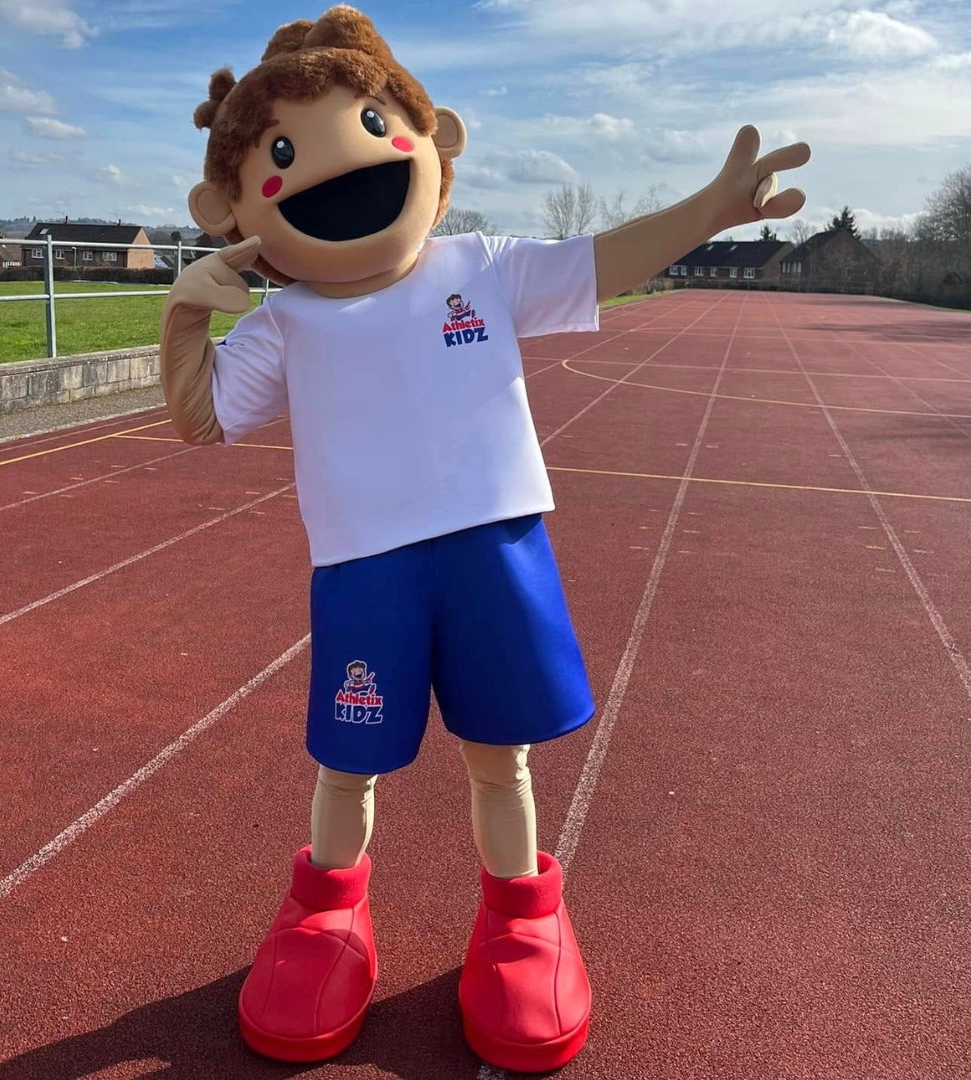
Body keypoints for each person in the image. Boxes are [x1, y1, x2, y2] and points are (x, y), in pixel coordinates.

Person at [159, 5, 811, 1071]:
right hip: (364, 568)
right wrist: (186, 315)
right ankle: (327, 914)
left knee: (496, 753)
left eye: (372, 125)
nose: (338, 167)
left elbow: (605, 259)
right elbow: (205, 417)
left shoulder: (483, 268)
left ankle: (521, 917)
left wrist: (707, 211)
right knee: (347, 760)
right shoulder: (285, 323)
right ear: (225, 204)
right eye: (280, 156)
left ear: (434, 142)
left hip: (489, 552)